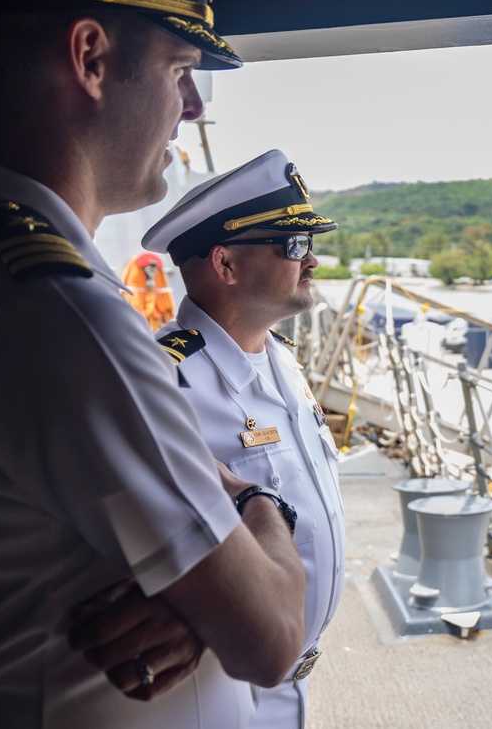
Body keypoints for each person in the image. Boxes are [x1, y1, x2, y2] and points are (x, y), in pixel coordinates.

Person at [0, 0, 306, 728]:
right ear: (92, 57)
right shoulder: (62, 316)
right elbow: (270, 638)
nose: (194, 105)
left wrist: (198, 607)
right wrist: (257, 508)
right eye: (179, 67)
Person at [140, 148, 346, 729]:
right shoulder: (166, 381)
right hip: (215, 685)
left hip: (292, 680)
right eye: (295, 245)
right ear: (226, 264)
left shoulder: (282, 362)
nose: (312, 261)